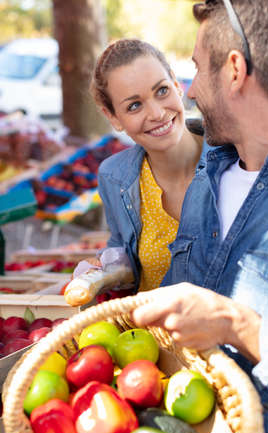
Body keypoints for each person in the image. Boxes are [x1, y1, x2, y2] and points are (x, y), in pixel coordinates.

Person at [132, 1, 268, 433]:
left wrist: (235, 324)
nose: (187, 92)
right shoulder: (209, 175)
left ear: (233, 70)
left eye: (195, 70)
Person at [77, 38, 204, 293]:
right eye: (134, 105)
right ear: (113, 117)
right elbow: (123, 251)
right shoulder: (115, 176)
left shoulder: (236, 158)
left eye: (162, 91)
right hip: (147, 332)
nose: (156, 113)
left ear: (176, 84)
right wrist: (104, 268)